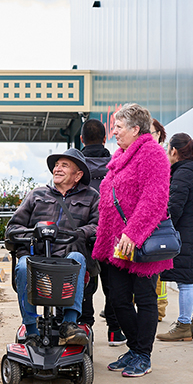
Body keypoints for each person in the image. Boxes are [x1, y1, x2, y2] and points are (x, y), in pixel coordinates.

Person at [92, 103, 172, 378]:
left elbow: (155, 198)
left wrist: (133, 233)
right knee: (117, 297)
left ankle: (143, 353)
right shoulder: (120, 156)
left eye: (118, 126)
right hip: (115, 243)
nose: (113, 131)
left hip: (139, 240)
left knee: (145, 297)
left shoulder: (152, 154)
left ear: (135, 129)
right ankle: (135, 348)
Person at [6, 148, 99, 346]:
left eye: (64, 165)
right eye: (56, 165)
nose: (57, 169)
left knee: (78, 258)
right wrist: (34, 235)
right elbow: (13, 227)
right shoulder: (37, 194)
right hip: (37, 258)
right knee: (23, 266)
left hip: (67, 259)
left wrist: (80, 233)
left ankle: (70, 324)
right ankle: (31, 329)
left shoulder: (91, 196)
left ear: (78, 174)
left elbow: (98, 226)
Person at [156, 133, 193, 342]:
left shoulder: (183, 173)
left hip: (182, 234)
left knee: (185, 282)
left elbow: (174, 209)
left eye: (168, 150)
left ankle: (183, 325)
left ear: (174, 151)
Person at [80, 119, 126, 347]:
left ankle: (84, 328)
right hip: (112, 232)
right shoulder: (116, 164)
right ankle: (115, 331)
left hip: (83, 231)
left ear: (81, 140)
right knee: (113, 283)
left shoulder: (75, 167)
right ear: (105, 138)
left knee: (84, 281)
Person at [150, 118, 169, 321]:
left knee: (158, 274)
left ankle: (159, 309)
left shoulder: (161, 158)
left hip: (159, 225)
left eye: (153, 132)